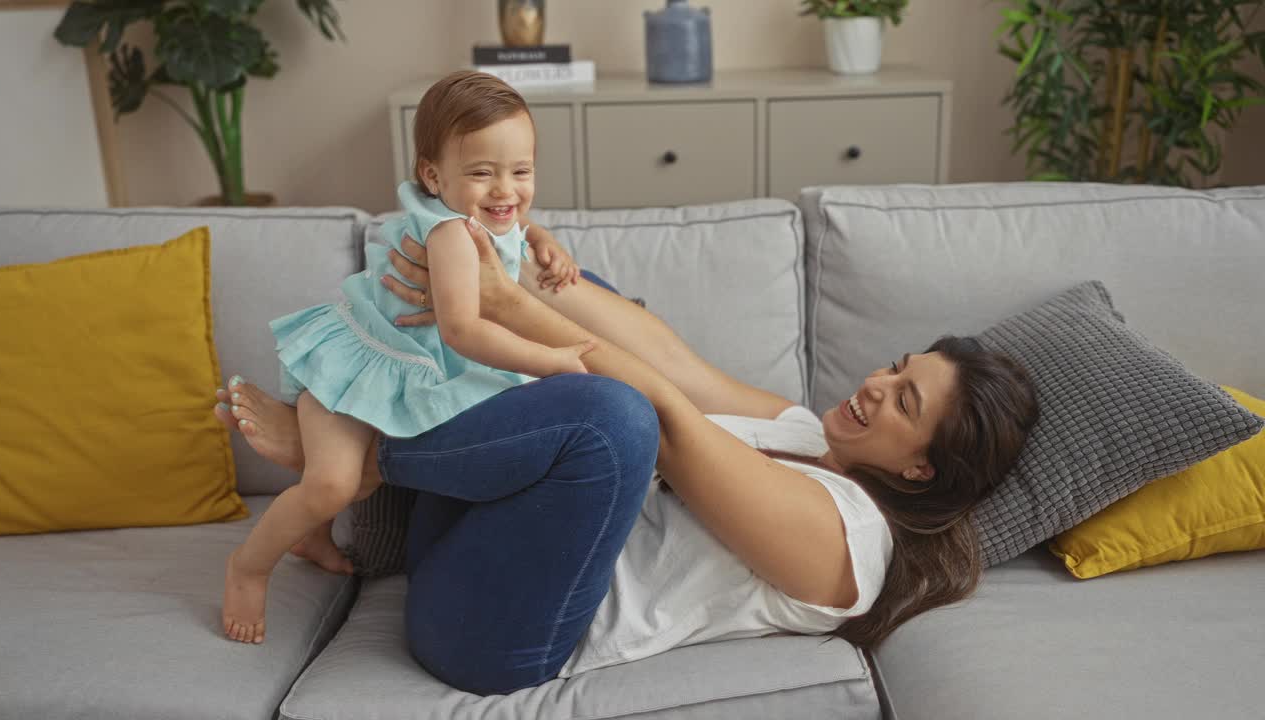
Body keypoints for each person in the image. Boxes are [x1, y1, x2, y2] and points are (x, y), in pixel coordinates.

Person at [215, 208, 1039, 695]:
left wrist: (513, 308)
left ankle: (366, 463)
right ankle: (358, 426)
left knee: (620, 422)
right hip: (476, 537)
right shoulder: (802, 431)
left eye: (903, 402)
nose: (872, 385)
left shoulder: (853, 545)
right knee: (595, 303)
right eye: (895, 367)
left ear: (918, 468)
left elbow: (669, 418)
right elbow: (671, 358)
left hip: (505, 636)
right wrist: (524, 266)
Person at [220, 70, 590, 644]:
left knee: (367, 479)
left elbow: (512, 221)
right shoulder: (447, 234)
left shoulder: (486, 214)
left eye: (521, 172)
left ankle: (311, 538)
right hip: (357, 368)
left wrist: (543, 240)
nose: (505, 191)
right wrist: (551, 359)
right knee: (334, 485)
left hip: (401, 374)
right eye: (482, 173)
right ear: (431, 174)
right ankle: (248, 566)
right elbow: (464, 331)